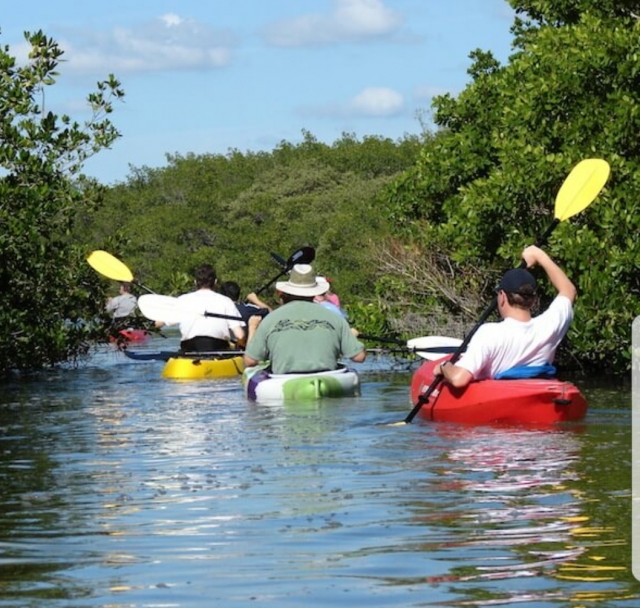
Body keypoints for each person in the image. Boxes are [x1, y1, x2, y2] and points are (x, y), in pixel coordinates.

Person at [434, 245, 576, 388]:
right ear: (533, 300)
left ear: (502, 297)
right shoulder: (550, 325)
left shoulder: (489, 333)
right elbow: (568, 290)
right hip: (536, 394)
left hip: (501, 403)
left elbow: (459, 379)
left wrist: (444, 367)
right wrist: (539, 256)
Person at [243, 264, 366, 374]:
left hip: (283, 382)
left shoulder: (270, 319)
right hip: (328, 378)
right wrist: (353, 340)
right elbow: (359, 357)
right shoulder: (335, 317)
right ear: (314, 292)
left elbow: (250, 361)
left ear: (288, 292)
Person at [156, 264, 245, 353]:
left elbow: (158, 324)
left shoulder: (182, 300)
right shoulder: (226, 301)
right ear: (215, 282)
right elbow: (240, 335)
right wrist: (240, 346)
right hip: (218, 348)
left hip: (189, 348)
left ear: (195, 282)